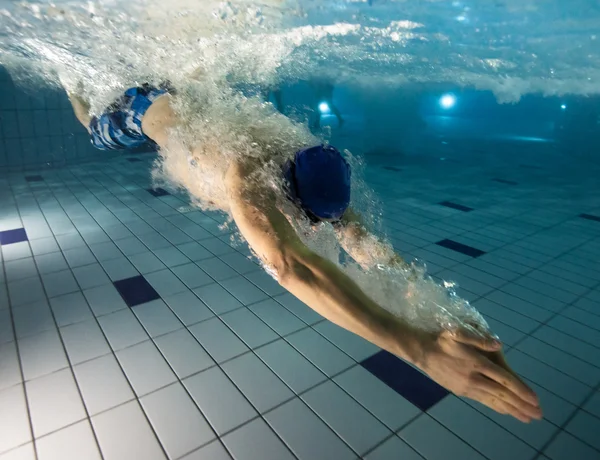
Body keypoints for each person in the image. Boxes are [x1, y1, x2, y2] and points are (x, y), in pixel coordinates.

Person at [67, 83, 542, 423]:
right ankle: (70, 81)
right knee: (92, 124)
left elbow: (370, 251)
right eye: (309, 220)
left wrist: (443, 311)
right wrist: (417, 349)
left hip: (188, 100)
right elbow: (291, 266)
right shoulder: (245, 172)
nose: (315, 229)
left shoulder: (315, 165)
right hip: (145, 109)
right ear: (284, 191)